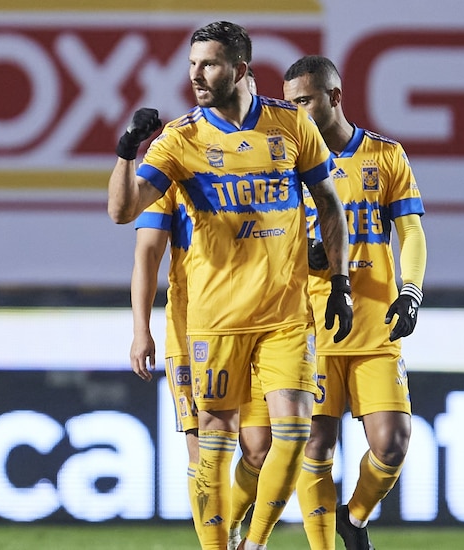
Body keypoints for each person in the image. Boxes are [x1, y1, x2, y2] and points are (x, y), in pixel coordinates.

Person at [107, 21, 353, 550]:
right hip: (212, 321)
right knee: (211, 452)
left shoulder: (292, 125)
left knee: (292, 435)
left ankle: (255, 542)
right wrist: (128, 150)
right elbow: (123, 213)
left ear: (240, 69)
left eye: (209, 64)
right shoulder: (180, 140)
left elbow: (330, 205)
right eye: (192, 64)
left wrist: (341, 282)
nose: (195, 75)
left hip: (285, 316)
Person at [282, 55, 427, 550]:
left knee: (392, 444)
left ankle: (355, 518)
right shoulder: (285, 164)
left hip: (375, 325)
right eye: (290, 103)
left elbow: (411, 231)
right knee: (315, 444)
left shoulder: (385, 155)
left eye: (305, 100)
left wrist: (410, 290)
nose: (297, 112)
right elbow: (263, 239)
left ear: (335, 97)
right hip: (311, 327)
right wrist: (301, 251)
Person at [128, 68, 272, 550]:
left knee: (260, 448)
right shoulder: (177, 158)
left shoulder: (268, 160)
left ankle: (228, 528)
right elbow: (147, 253)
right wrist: (141, 329)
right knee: (203, 451)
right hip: (194, 328)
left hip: (259, 322)